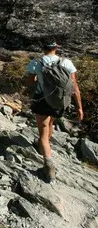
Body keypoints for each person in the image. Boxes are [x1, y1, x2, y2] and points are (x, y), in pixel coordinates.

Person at [25, 42, 84, 181]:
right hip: (60, 101)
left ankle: (48, 164)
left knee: (43, 132)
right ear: (56, 48)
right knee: (50, 122)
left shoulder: (36, 62)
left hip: (42, 99)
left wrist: (36, 79)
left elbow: (29, 82)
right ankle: (44, 147)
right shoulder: (67, 62)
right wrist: (80, 107)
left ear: (44, 49)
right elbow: (75, 87)